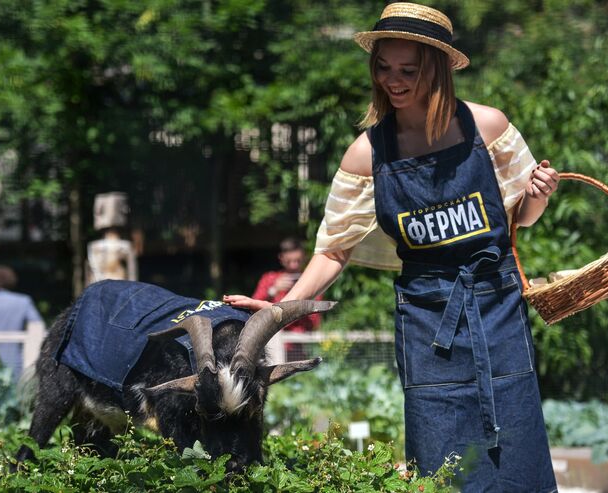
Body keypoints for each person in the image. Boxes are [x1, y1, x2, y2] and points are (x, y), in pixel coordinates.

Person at [225, 3, 560, 490]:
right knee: (440, 460)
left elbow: (519, 221)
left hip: (497, 309)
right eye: (384, 68)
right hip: (427, 322)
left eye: (408, 70)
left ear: (437, 69)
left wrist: (538, 196)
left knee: (517, 452)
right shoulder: (368, 153)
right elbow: (334, 249)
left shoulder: (485, 127)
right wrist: (279, 311)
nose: (393, 81)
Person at [251, 237, 322, 360]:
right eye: (289, 261)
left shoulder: (311, 282)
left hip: (299, 347)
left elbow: (315, 321)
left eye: (298, 261)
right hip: (270, 345)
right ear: (281, 258)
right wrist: (273, 290)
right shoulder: (270, 279)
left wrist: (304, 298)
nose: (294, 266)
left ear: (304, 258)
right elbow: (252, 308)